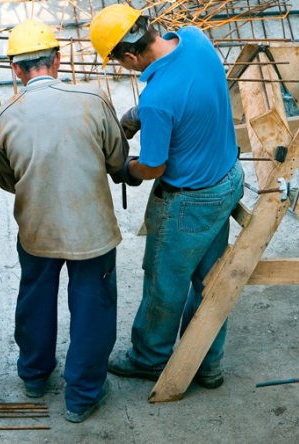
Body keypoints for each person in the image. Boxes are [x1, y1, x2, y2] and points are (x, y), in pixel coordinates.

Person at [90, 4, 245, 389]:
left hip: (188, 204)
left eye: (120, 63)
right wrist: (137, 113)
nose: (123, 68)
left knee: (164, 281)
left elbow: (153, 168)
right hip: (226, 180)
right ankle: (208, 364)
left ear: (128, 56)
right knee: (211, 281)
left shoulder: (159, 99)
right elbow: (187, 87)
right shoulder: (195, 38)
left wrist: (125, 170)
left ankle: (149, 357)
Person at [0, 19, 131, 423]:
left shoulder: (5, 115)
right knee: (92, 307)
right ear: (58, 58)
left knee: (35, 299)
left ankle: (35, 376)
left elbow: (7, 180)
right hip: (93, 230)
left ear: (16, 69)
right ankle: (82, 396)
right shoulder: (93, 99)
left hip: (37, 228)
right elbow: (117, 161)